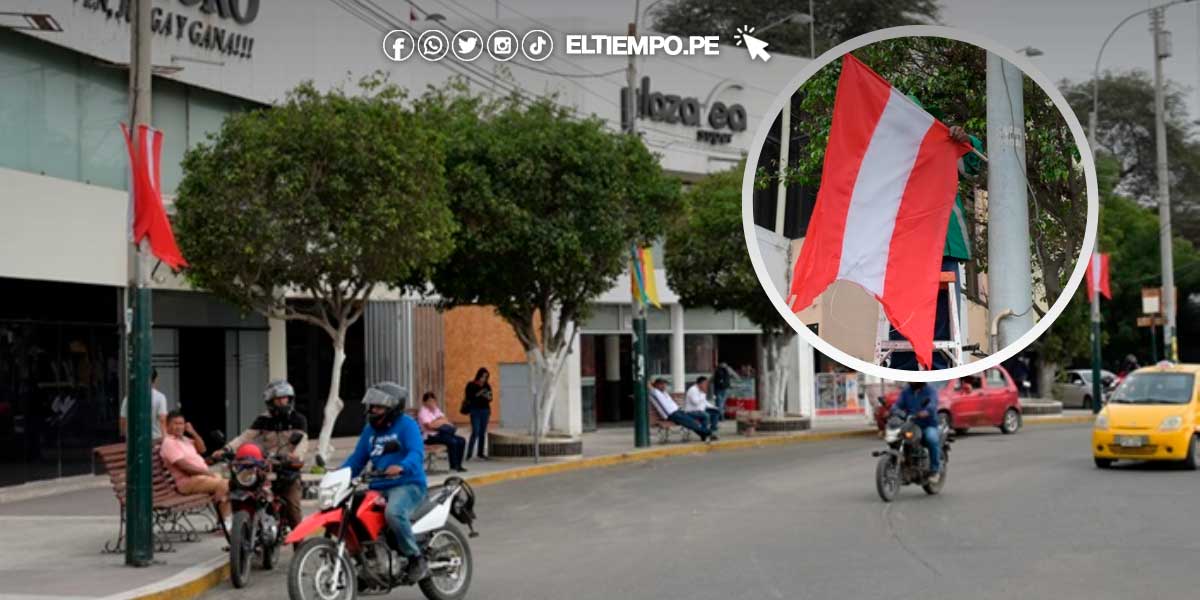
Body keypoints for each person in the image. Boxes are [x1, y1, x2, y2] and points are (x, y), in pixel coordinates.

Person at [342, 381, 429, 582]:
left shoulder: (407, 425)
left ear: (393, 408)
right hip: (378, 486)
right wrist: (338, 475)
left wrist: (402, 466)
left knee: (394, 512)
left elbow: (416, 453)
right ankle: (366, 561)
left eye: (378, 407)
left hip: (408, 483)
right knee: (353, 512)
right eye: (371, 406)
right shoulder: (369, 430)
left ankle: (416, 558)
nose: (373, 410)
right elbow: (356, 460)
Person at [212, 379, 308, 527]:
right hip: (265, 466)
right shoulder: (263, 419)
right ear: (270, 402)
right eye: (278, 399)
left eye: (285, 398)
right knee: (242, 489)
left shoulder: (298, 419)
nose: (282, 402)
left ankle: (299, 540)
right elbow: (245, 437)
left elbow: (303, 441)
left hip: (287, 468)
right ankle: (237, 524)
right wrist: (226, 449)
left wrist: (296, 456)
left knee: (292, 507)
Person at [160, 411, 231, 530]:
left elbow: (202, 449)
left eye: (181, 423)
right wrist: (206, 473)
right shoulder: (169, 443)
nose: (179, 426)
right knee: (225, 484)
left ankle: (222, 522)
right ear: (168, 426)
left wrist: (193, 432)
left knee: (228, 482)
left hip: (199, 477)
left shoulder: (185, 439)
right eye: (175, 423)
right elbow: (184, 466)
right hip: (187, 481)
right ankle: (225, 523)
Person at [890, 381, 942, 482]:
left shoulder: (930, 390)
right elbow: (897, 405)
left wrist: (926, 412)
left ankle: (935, 471)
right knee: (898, 438)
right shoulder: (906, 392)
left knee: (931, 438)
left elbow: (933, 404)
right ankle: (905, 465)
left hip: (928, 424)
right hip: (911, 424)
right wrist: (896, 411)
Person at [648, 378, 714, 442]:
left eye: (665, 384)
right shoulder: (654, 392)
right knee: (691, 422)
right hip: (671, 415)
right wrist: (651, 382)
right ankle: (709, 433)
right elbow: (648, 384)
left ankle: (704, 436)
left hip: (678, 411)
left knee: (702, 417)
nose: (664, 386)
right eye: (661, 384)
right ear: (656, 385)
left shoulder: (664, 392)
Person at [417, 391, 467, 473]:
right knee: (452, 441)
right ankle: (453, 466)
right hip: (430, 436)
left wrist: (437, 422)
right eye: (429, 401)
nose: (431, 403)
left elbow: (445, 419)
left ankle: (459, 465)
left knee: (461, 440)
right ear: (424, 402)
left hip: (440, 433)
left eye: (433, 401)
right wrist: (439, 421)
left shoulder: (435, 409)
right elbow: (429, 426)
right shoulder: (423, 412)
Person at [119, 368, 169, 440]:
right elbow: (162, 420)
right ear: (155, 379)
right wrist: (165, 438)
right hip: (155, 438)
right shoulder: (160, 397)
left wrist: (125, 435)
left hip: (135, 439)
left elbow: (123, 419)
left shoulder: (129, 397)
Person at [463, 368, 493, 461]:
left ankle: (480, 453)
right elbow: (469, 397)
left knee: (482, 432)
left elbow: (490, 398)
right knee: (475, 431)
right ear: (478, 375)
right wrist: (479, 393)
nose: (483, 379)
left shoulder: (487, 385)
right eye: (482, 376)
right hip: (475, 410)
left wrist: (487, 395)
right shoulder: (471, 384)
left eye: (486, 377)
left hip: (485, 410)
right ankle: (469, 453)